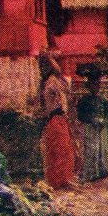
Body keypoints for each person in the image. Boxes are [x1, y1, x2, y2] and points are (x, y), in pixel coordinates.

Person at [38, 54, 77, 189]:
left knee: (63, 148)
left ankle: (63, 179)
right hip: (56, 117)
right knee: (60, 149)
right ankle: (60, 180)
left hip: (59, 117)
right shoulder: (52, 82)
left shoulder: (53, 81)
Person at [76, 71, 108, 181]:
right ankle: (91, 173)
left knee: (102, 148)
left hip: (101, 127)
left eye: (97, 85)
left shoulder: (102, 99)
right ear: (89, 86)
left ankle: (103, 171)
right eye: (93, 85)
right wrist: (92, 120)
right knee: (92, 149)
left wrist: (104, 121)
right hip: (90, 127)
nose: (96, 87)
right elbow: (80, 115)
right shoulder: (84, 100)